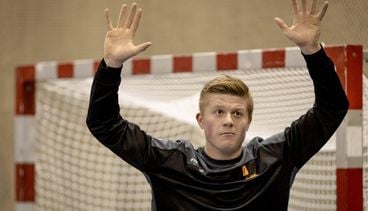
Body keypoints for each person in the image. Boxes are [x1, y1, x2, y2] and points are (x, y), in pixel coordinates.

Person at [86, 0, 349, 210]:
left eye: (237, 113)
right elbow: (103, 124)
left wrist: (312, 51)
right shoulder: (168, 162)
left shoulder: (276, 157)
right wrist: (111, 66)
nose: (228, 120)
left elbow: (332, 108)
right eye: (219, 112)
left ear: (248, 121)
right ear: (201, 120)